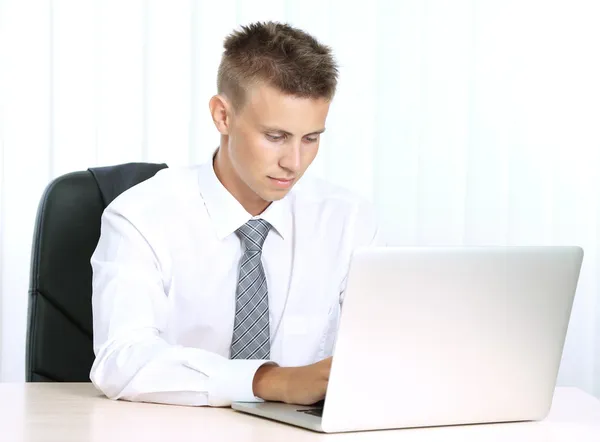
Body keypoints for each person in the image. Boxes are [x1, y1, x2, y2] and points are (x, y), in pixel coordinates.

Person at [90, 21, 382, 407]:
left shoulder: (348, 220)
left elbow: (381, 353)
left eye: (310, 139)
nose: (294, 163)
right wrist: (267, 381)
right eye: (275, 137)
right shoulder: (141, 216)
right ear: (222, 116)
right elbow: (120, 360)